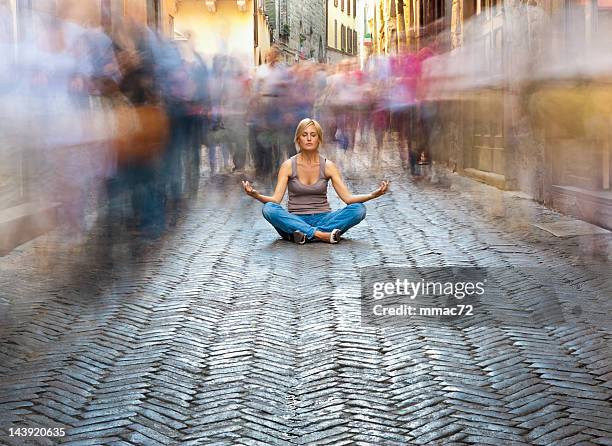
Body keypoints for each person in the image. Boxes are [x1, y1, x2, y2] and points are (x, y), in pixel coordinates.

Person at [241, 118, 389, 244]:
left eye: (313, 135)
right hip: (294, 218)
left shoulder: (328, 166)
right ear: (298, 139)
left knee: (358, 209)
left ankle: (300, 235)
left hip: (324, 218)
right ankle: (321, 235)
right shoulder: (288, 166)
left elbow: (348, 199)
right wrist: (255, 195)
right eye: (304, 135)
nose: (309, 138)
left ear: (319, 139)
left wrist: (373, 195)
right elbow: (275, 200)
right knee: (269, 209)